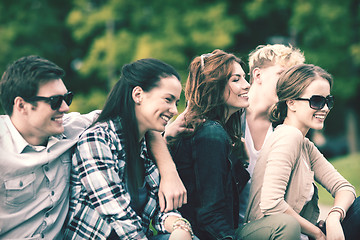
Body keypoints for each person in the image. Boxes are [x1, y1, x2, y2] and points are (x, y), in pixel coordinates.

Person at [0, 56, 186, 239]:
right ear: (21, 105)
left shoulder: (70, 127)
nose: (65, 108)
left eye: (68, 98)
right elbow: (117, 214)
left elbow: (138, 119)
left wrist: (170, 171)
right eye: (55, 101)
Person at [164, 44, 306, 223]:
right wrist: (166, 136)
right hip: (230, 226)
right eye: (283, 74)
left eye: (294, 78)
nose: (290, 83)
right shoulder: (220, 123)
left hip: (261, 223)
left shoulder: (284, 126)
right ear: (257, 75)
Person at [64, 58, 196, 240]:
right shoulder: (97, 139)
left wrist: (179, 226)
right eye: (168, 100)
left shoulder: (148, 147)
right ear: (138, 95)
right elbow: (117, 214)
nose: (174, 110)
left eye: (176, 102)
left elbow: (160, 211)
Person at [245, 64, 360, 240]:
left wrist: (334, 217)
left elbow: (344, 187)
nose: (325, 108)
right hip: (268, 234)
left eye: (328, 101)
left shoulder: (304, 144)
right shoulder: (288, 136)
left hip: (295, 233)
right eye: (316, 101)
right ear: (291, 103)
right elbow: (271, 204)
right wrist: (318, 234)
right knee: (288, 224)